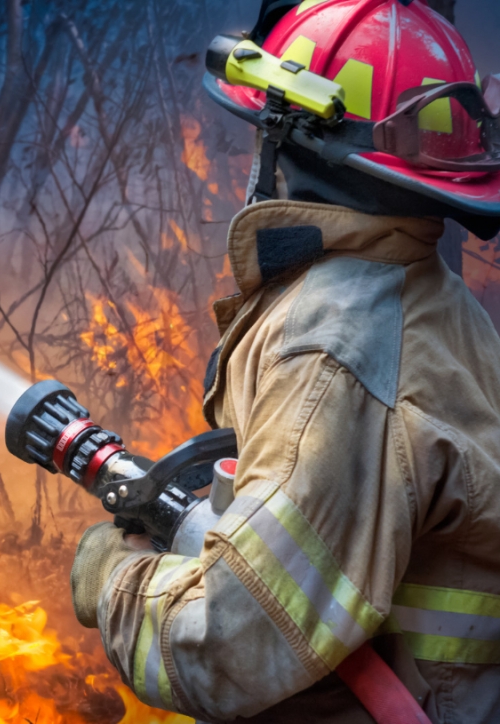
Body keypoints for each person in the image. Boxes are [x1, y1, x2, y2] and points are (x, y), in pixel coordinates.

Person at [69, 1, 500, 722]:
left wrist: (110, 579)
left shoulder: (333, 349)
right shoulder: (429, 299)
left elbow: (232, 647)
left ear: (290, 141)